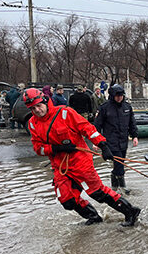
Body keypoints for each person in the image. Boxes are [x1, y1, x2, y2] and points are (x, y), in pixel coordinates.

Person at [23, 88, 141, 227]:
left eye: (38, 106)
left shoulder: (65, 113)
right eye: (33, 108)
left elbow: (87, 128)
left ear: (45, 101)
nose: (37, 110)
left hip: (80, 162)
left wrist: (103, 145)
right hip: (60, 167)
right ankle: (94, 217)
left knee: (97, 192)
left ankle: (130, 211)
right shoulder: (32, 123)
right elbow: (38, 148)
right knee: (66, 200)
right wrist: (56, 148)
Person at [94, 84, 138, 194]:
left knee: (121, 162)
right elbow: (97, 125)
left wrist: (135, 136)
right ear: (112, 96)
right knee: (119, 163)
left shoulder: (127, 107)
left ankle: (114, 183)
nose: (119, 98)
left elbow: (132, 123)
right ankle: (122, 187)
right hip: (111, 140)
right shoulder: (105, 108)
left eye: (121, 96)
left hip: (123, 140)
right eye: (117, 96)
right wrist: (95, 142)